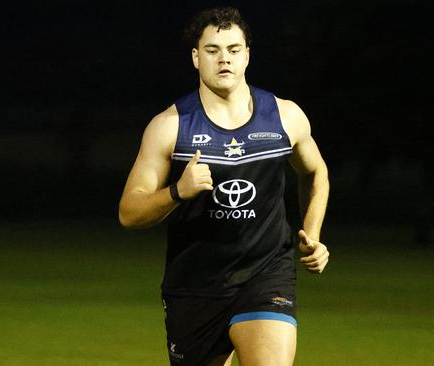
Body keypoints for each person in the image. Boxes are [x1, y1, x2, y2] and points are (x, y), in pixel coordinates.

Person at [118, 6, 329, 366]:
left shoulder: (284, 116)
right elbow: (129, 212)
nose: (224, 59)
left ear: (247, 55)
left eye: (233, 50)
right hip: (196, 284)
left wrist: (311, 232)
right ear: (196, 58)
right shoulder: (170, 127)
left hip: (266, 273)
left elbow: (315, 172)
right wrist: (176, 192)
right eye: (213, 50)